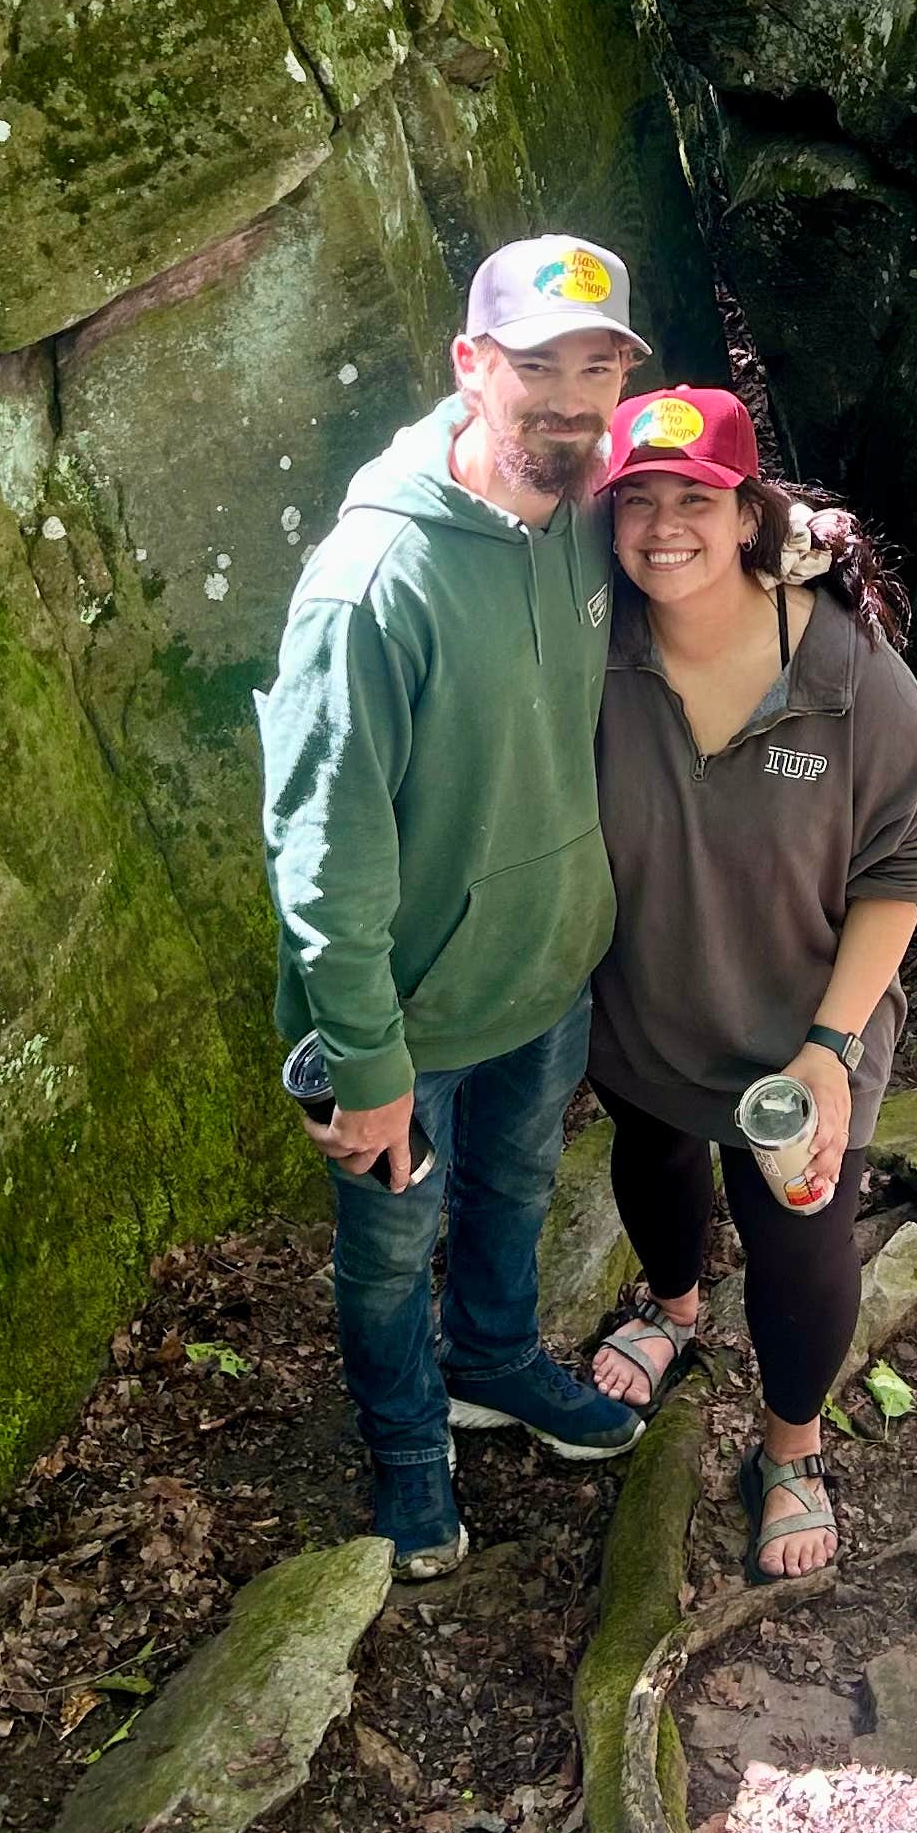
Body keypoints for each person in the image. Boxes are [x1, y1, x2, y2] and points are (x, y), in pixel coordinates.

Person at [258, 232, 652, 1578]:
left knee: (521, 1184)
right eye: (540, 365)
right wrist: (363, 1060)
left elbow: (707, 507)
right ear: (470, 368)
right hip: (406, 1021)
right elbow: (323, 851)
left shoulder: (589, 505)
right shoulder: (374, 586)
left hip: (543, 976)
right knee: (386, 1254)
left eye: (597, 367)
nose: (573, 397)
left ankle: (492, 1359)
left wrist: (799, 540)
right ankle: (408, 1449)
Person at [583, 384, 917, 1579]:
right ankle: (675, 1309)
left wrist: (831, 1052)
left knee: (801, 1241)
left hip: (807, 1030)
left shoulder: (849, 675)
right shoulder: (598, 651)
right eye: (635, 500)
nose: (661, 526)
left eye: (691, 498)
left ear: (748, 514)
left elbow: (905, 864)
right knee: (650, 1157)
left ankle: (790, 1450)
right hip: (648, 1011)